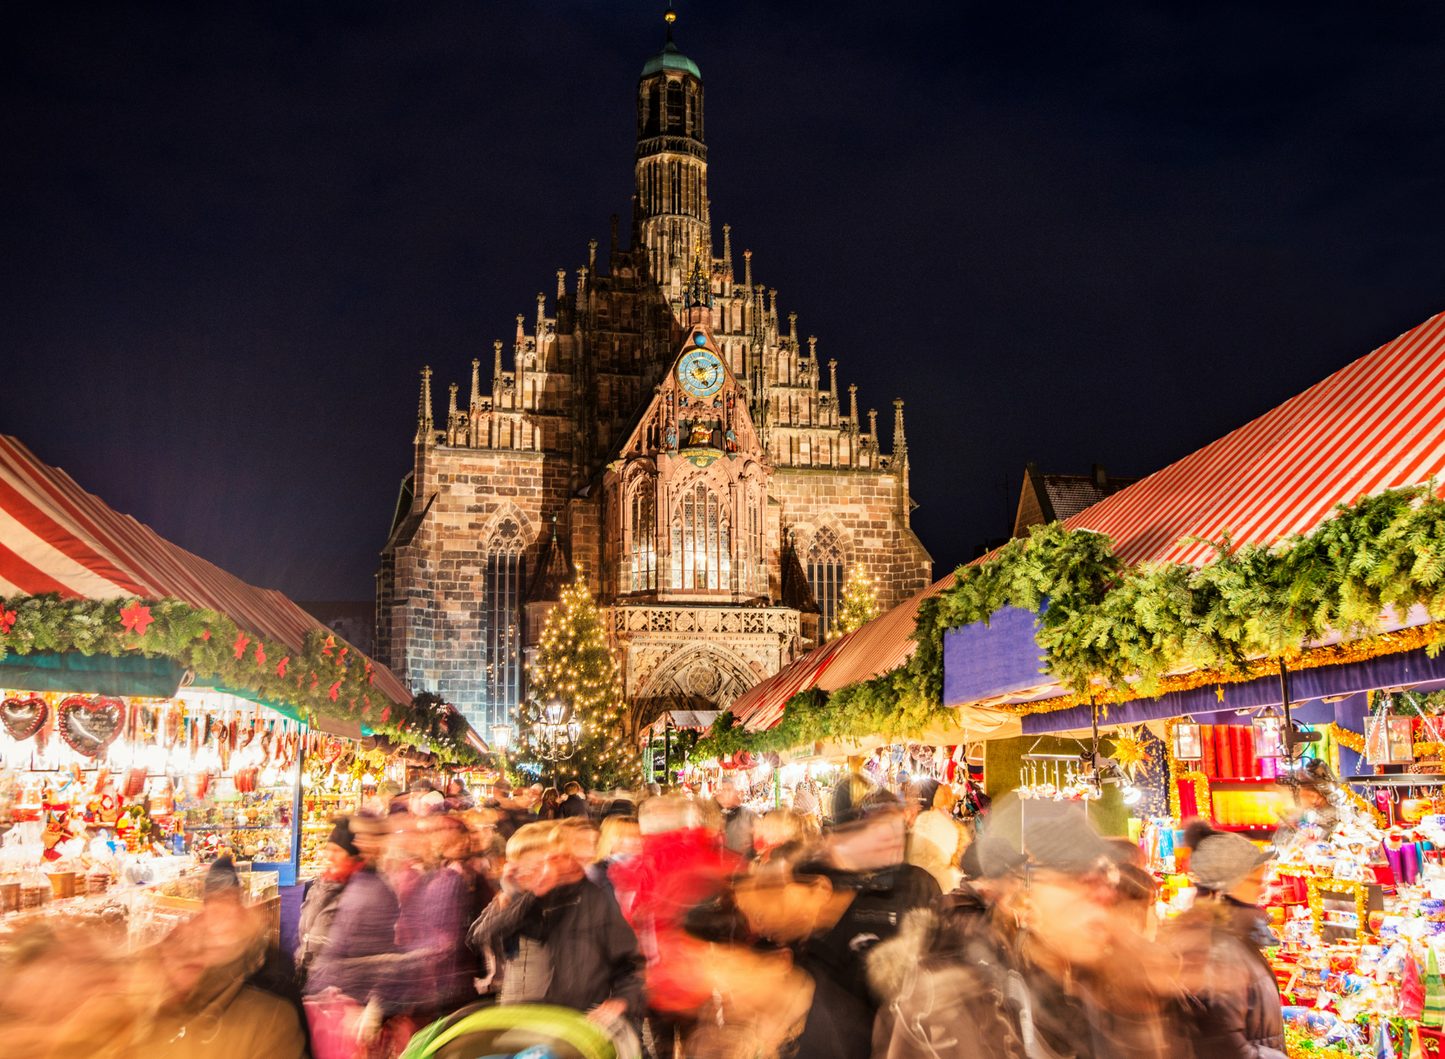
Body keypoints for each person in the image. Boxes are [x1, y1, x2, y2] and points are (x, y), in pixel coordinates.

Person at [871, 811, 1174, 1059]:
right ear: (1033, 895)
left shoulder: (1121, 990)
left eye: (1103, 881)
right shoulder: (945, 998)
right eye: (1074, 880)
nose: (1098, 897)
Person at [467, 822, 644, 1023]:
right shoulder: (515, 900)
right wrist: (516, 894)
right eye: (521, 863)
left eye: (540, 862)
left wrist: (621, 1001)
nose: (531, 871)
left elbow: (628, 964)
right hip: (517, 1017)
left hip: (576, 1022)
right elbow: (480, 939)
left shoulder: (593, 899)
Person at [797, 783, 941, 1013]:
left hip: (906, 1024)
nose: (893, 836)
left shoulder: (919, 884)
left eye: (898, 825)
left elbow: (939, 959)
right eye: (881, 827)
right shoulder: (834, 888)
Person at [681, 894, 872, 1059]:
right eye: (708, 968)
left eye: (731, 969)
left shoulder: (837, 1039)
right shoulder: (724, 1011)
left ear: (780, 962)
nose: (716, 984)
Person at [1164, 821, 1285, 1059]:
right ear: (1224, 887)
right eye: (1254, 882)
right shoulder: (1216, 948)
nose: (1262, 890)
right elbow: (1225, 1048)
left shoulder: (1232, 936)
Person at [295, 816, 367, 987]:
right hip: (309, 979)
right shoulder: (321, 885)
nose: (330, 856)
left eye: (337, 851)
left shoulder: (358, 889)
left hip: (337, 986)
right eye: (329, 849)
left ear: (353, 855)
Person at [714, 776, 757, 857]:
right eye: (722, 789)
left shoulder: (750, 817)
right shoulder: (709, 816)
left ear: (735, 792)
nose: (725, 793)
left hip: (742, 865)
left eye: (729, 789)